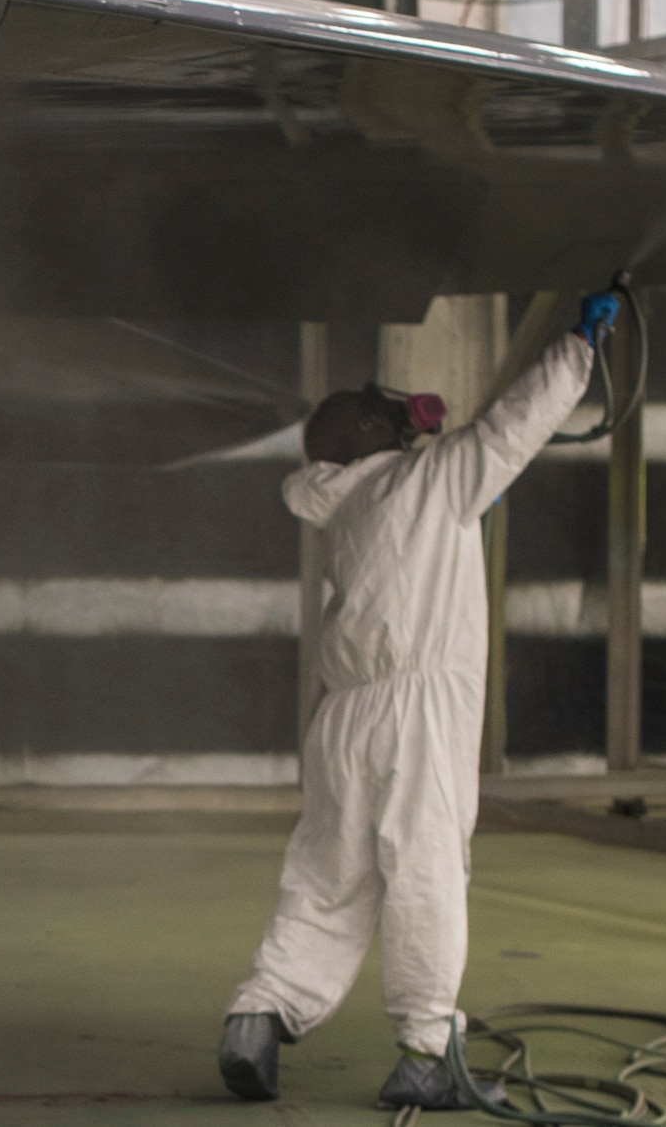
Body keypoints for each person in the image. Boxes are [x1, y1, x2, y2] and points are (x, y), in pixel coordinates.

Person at [218, 291, 620, 1111]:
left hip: (344, 718)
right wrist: (579, 346)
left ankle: (258, 1013)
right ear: (371, 435)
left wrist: (460, 513)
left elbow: (433, 515)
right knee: (427, 867)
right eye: (382, 410)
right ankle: (427, 1050)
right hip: (416, 711)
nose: (402, 414)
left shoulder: (356, 507)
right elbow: (514, 423)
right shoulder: (431, 478)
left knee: (328, 876)